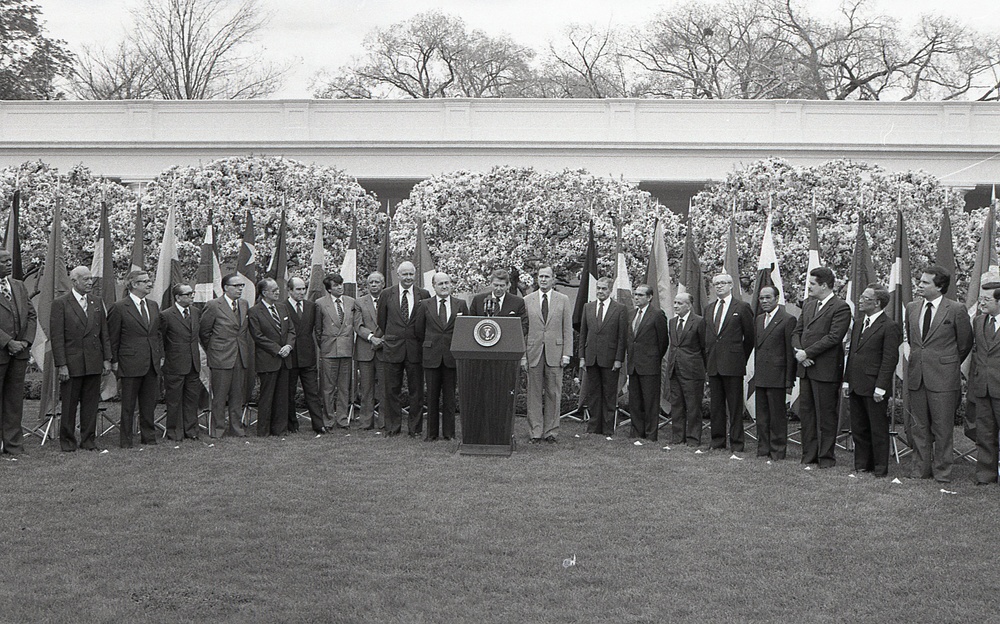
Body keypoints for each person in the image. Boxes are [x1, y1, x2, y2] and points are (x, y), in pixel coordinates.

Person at [905, 265, 972, 482]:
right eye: (920, 281)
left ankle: (943, 473)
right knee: (919, 427)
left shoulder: (955, 309)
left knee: (943, 429)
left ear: (939, 286)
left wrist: (947, 364)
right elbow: (914, 340)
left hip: (943, 379)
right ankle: (920, 470)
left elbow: (965, 344)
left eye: (925, 282)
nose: (920, 285)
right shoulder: (912, 308)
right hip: (917, 376)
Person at [792, 266, 852, 468]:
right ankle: (809, 455)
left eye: (812, 284)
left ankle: (826, 457)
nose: (808, 287)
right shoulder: (809, 306)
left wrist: (807, 353)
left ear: (824, 285)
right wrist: (800, 354)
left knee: (825, 415)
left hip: (825, 370)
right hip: (806, 368)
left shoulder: (840, 307)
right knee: (807, 413)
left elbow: (834, 337)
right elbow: (797, 332)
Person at [51, 266, 112, 452]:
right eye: (85, 279)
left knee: (91, 403)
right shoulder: (61, 303)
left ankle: (88, 440)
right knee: (69, 404)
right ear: (74, 281)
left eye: (90, 279)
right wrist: (62, 364)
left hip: (93, 360)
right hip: (72, 362)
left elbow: (104, 333)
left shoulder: (96, 301)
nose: (89, 282)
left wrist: (107, 358)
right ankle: (68, 441)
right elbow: (57, 337)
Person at [844, 284, 901, 477]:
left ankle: (879, 468)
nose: (859, 300)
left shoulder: (890, 326)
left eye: (864, 298)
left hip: (874, 386)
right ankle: (862, 465)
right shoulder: (859, 322)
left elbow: (889, 359)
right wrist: (846, 380)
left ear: (877, 303)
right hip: (856, 383)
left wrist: (881, 387)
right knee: (859, 427)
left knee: (877, 428)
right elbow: (852, 353)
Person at [108, 270, 163, 448]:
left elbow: (157, 333)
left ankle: (149, 437)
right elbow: (113, 337)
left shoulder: (153, 305)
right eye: (144, 281)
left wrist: (159, 354)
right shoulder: (119, 307)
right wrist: (114, 361)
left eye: (149, 280)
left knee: (149, 403)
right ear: (133, 284)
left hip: (151, 362)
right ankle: (126, 440)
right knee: (128, 404)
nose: (149, 284)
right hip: (129, 362)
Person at [377, 261, 431, 437]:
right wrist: (393, 336)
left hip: (415, 348)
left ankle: (415, 429)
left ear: (415, 275)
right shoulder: (386, 294)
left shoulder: (423, 294)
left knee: (416, 391)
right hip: (393, 347)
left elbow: (425, 321)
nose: (408, 278)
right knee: (392, 390)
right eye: (404, 274)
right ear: (398, 275)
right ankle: (392, 427)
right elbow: (382, 321)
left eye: (411, 274)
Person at [415, 272, 468, 441]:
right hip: (432, 356)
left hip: (452, 357)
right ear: (434, 286)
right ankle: (431, 433)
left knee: (450, 397)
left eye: (447, 283)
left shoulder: (461, 304)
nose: (444, 286)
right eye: (440, 284)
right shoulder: (424, 305)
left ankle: (449, 433)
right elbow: (419, 330)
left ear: (451, 284)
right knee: (431, 396)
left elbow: (465, 330)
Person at [704, 273, 755, 452]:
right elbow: (708, 337)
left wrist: (739, 356)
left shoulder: (741, 307)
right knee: (716, 406)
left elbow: (750, 337)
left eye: (723, 283)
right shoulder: (709, 308)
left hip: (733, 364)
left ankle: (737, 443)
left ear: (731, 285)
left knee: (734, 407)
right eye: (716, 283)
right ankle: (717, 442)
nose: (719, 286)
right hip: (714, 364)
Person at [199, 273, 253, 438]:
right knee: (220, 396)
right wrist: (216, 349)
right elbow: (204, 332)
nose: (240, 289)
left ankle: (236, 428)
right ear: (225, 288)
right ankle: (218, 429)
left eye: (241, 286)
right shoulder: (214, 305)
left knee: (238, 395)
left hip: (240, 355)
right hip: (220, 356)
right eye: (236, 286)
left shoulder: (244, 304)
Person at [523, 266, 573, 443]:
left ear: (553, 279)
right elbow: (524, 330)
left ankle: (551, 432)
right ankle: (535, 432)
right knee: (533, 394)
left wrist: (567, 353)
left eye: (547, 277)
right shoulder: (527, 300)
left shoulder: (563, 300)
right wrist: (523, 356)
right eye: (540, 276)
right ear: (537, 279)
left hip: (555, 352)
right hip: (533, 352)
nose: (543, 280)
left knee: (553, 392)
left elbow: (567, 328)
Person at [578, 277, 626, 436]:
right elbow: (583, 334)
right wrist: (582, 357)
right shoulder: (588, 307)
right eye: (598, 288)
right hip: (591, 357)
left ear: (610, 290)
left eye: (604, 288)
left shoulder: (619, 309)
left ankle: (607, 428)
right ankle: (593, 427)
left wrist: (619, 359)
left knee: (609, 394)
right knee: (593, 394)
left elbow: (622, 337)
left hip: (610, 358)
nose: (600, 291)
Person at [752, 285, 796, 460]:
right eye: (761, 298)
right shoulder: (758, 319)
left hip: (778, 376)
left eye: (768, 298)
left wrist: (788, 380)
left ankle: (777, 450)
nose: (764, 301)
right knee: (761, 416)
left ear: (777, 298)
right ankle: (763, 449)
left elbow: (789, 353)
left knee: (777, 416)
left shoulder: (787, 319)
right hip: (761, 375)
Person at [249, 277, 296, 436]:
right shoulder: (254, 311)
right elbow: (258, 335)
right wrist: (277, 349)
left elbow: (291, 330)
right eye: (274, 290)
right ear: (264, 293)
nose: (278, 292)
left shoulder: (282, 308)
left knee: (282, 396)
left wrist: (288, 346)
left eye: (278, 289)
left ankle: (280, 429)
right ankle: (263, 430)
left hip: (285, 359)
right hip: (268, 360)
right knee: (267, 396)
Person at [0, 250, 35, 456]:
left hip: (19, 353)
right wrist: (8, 342)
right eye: (3, 261)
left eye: (9, 260)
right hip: (2, 352)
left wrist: (25, 341)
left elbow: (31, 315)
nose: (9, 264)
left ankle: (13, 445)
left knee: (14, 401)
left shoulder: (19, 286)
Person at [159, 283, 202, 441]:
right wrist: (164, 359)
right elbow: (161, 339)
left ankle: (191, 431)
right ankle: (175, 432)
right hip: (175, 364)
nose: (192, 296)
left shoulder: (196, 312)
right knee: (175, 400)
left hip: (193, 363)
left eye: (192, 293)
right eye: (188, 294)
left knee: (192, 399)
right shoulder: (166, 315)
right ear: (177, 297)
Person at [625, 285, 669, 441]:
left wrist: (653, 358)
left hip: (650, 365)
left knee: (650, 402)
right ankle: (637, 432)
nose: (636, 297)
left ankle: (651, 434)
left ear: (649, 297)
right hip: (633, 364)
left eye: (640, 295)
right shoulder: (631, 314)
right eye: (635, 295)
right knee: (635, 401)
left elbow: (663, 341)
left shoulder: (657, 315)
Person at [316, 273, 356, 430]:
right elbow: (318, 329)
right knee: (328, 387)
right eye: (336, 285)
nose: (340, 287)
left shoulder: (351, 302)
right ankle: (328, 419)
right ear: (329, 289)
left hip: (346, 349)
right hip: (329, 350)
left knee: (344, 387)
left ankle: (342, 418)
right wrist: (324, 346)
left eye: (341, 284)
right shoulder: (320, 304)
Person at [666, 291, 706, 447]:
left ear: (689, 305)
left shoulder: (699, 322)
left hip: (692, 370)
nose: (676, 306)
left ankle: (693, 438)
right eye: (675, 303)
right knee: (677, 405)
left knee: (693, 405)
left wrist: (703, 369)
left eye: (680, 303)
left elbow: (704, 347)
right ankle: (677, 437)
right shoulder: (672, 322)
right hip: (675, 369)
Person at [286, 276, 324, 434]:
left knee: (312, 392)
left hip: (308, 356)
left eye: (303, 289)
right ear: (289, 290)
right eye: (298, 289)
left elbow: (318, 330)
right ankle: (291, 424)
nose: (302, 292)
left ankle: (319, 424)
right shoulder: (282, 306)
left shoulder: (311, 306)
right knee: (289, 392)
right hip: (290, 356)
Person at [972, 286, 1000, 485]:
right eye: (980, 299)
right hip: (982, 386)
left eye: (986, 299)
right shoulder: (978, 321)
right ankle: (985, 475)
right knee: (984, 432)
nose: (981, 303)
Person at [354, 272, 385, 430]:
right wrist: (372, 337)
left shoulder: (389, 300)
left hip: (384, 349)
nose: (374, 285)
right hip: (366, 350)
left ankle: (385, 422)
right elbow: (358, 325)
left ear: (383, 284)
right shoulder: (359, 302)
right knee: (366, 388)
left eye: (377, 282)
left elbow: (392, 322)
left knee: (385, 388)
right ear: (367, 285)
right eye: (371, 282)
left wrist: (382, 339)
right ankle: (366, 422)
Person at [470, 268, 528, 335]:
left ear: (508, 285)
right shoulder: (478, 300)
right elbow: (470, 323)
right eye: (496, 285)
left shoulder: (518, 302)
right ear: (491, 284)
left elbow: (523, 326)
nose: (498, 289)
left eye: (502, 286)